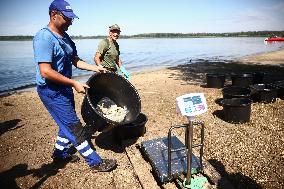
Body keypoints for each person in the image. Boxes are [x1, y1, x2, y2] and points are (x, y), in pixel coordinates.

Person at [33, 0, 117, 172]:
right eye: (67, 18)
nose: (70, 22)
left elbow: (75, 60)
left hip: (64, 88)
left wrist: (97, 67)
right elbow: (45, 71)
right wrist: (73, 83)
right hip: (51, 91)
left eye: (72, 18)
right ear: (53, 15)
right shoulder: (44, 37)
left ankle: (59, 154)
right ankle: (95, 162)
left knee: (66, 122)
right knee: (73, 126)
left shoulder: (65, 37)